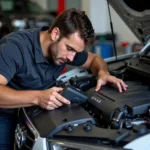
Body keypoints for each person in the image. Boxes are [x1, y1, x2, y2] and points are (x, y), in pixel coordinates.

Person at [0, 8, 127, 149]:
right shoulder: (15, 48)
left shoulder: (67, 50)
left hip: (31, 114)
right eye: (70, 49)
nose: (71, 58)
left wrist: (103, 73)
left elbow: (95, 59)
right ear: (55, 34)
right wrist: (38, 97)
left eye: (76, 52)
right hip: (4, 115)